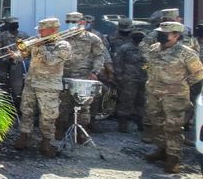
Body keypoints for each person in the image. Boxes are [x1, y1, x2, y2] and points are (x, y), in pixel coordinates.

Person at [143, 22, 203, 173]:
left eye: (165, 33)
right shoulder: (154, 48)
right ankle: (162, 150)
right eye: (160, 32)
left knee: (173, 127)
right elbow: (149, 67)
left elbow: (198, 73)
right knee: (156, 123)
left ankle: (173, 159)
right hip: (154, 93)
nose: (160, 35)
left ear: (176, 35)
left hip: (175, 97)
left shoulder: (186, 53)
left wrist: (181, 84)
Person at [13, 18, 72, 157]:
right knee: (26, 111)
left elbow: (51, 61)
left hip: (48, 86)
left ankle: (46, 142)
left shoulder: (63, 45)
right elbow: (24, 55)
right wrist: (15, 55)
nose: (39, 31)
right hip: (31, 83)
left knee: (48, 115)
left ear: (53, 30)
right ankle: (24, 137)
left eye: (42, 29)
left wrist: (41, 46)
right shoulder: (38, 42)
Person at [57, 12, 105, 142]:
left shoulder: (92, 38)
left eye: (74, 22)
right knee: (62, 104)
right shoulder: (60, 38)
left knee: (83, 106)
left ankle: (80, 133)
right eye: (69, 22)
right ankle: (60, 129)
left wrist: (95, 72)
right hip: (64, 75)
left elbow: (99, 56)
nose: (71, 25)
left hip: (84, 77)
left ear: (82, 23)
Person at [113, 31, 147, 133]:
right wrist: (119, 77)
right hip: (128, 79)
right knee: (126, 101)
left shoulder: (146, 49)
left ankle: (142, 124)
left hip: (143, 78)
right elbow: (118, 62)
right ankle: (123, 125)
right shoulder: (125, 48)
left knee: (142, 102)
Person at [0, 17, 29, 108]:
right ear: (8, 25)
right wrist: (7, 58)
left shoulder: (24, 35)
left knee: (19, 87)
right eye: (12, 23)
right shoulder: (1, 36)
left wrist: (20, 58)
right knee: (5, 86)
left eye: (16, 23)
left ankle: (18, 106)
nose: (15, 25)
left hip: (19, 65)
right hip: (5, 65)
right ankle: (6, 107)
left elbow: (28, 50)